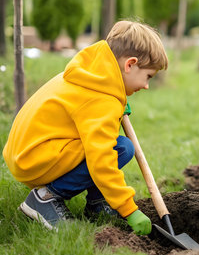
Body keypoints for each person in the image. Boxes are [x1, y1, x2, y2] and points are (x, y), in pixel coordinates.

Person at [3, 20, 168, 234]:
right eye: (148, 77)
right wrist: (128, 209)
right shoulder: (101, 100)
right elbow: (102, 160)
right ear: (130, 64)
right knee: (119, 149)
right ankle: (45, 198)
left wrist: (118, 102)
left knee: (113, 144)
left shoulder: (91, 75)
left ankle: (97, 203)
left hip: (28, 151)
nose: (146, 85)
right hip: (34, 159)